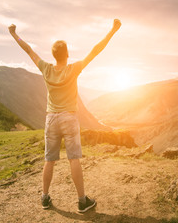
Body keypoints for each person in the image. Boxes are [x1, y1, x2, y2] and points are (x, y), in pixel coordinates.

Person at [8, 19, 121, 213]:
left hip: (51, 118)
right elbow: (95, 50)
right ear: (67, 54)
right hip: (69, 118)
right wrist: (113, 30)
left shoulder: (46, 68)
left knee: (49, 160)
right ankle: (82, 201)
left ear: (53, 55)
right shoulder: (73, 69)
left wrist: (14, 34)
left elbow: (28, 50)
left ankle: (44, 198)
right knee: (74, 160)